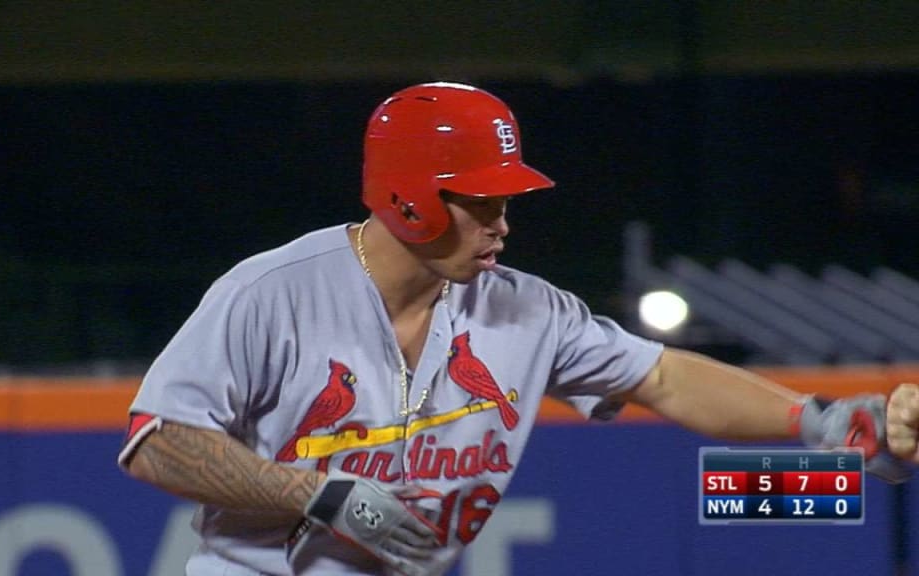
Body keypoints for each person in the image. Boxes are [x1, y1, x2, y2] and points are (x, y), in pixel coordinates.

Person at [117, 81, 905, 576]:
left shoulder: (524, 308)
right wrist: (314, 493)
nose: (503, 223)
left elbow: (662, 376)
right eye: (482, 201)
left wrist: (825, 421)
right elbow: (155, 438)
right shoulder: (275, 292)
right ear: (411, 198)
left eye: (506, 201)